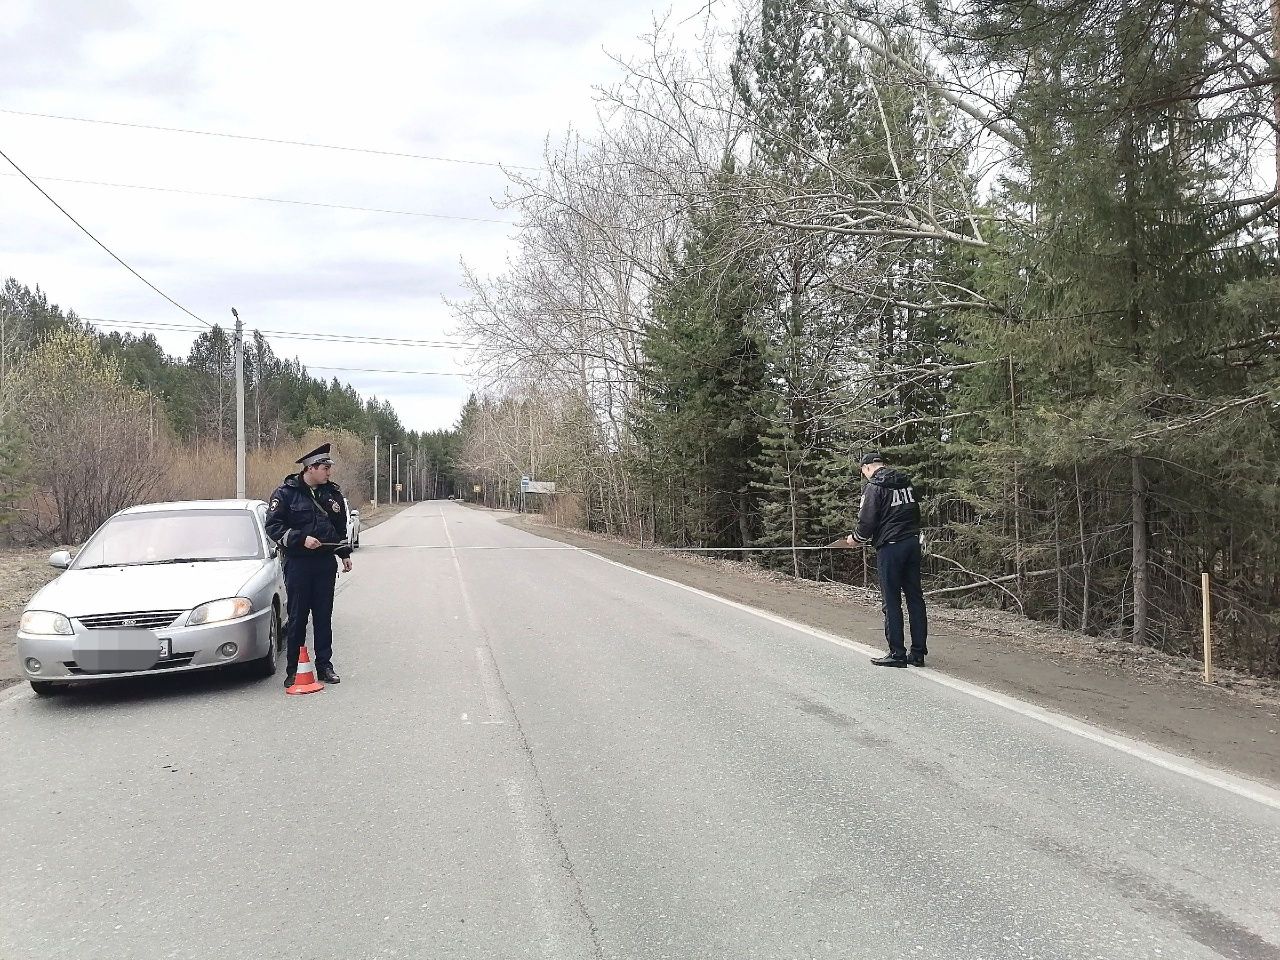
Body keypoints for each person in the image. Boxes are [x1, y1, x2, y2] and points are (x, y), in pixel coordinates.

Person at [265, 443, 353, 686]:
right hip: (298, 565)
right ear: (311, 468)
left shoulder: (332, 494)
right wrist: (300, 539)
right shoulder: (285, 494)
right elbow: (273, 527)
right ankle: (294, 669)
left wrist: (344, 553)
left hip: (324, 564)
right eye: (325, 468)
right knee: (298, 618)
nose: (329, 473)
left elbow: (339, 529)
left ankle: (325, 666)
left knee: (323, 617)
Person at [846, 452, 928, 668]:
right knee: (915, 599)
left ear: (866, 468)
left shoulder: (875, 486)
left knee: (891, 600)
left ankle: (897, 653)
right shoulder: (905, 483)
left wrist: (856, 539)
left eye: (863, 472)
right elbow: (916, 513)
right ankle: (918, 653)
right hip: (912, 543)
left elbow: (866, 521)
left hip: (891, 547)